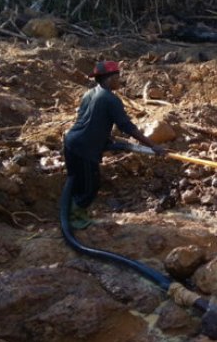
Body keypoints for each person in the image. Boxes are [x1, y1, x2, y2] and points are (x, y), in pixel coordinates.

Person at [63, 60, 165, 229]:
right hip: (85, 148)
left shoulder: (89, 94)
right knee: (90, 186)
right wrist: (153, 145)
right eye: (118, 77)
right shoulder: (110, 99)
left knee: (77, 182)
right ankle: (74, 219)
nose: (120, 81)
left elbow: (90, 120)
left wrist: (107, 140)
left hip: (71, 142)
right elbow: (127, 127)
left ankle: (72, 213)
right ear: (110, 79)